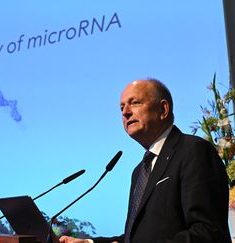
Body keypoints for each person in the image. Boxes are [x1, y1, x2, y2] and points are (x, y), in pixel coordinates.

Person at [59, 79, 231, 243]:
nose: (125, 112)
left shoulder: (194, 151)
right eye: (121, 108)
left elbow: (207, 233)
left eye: (135, 103)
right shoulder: (139, 170)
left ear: (163, 109)